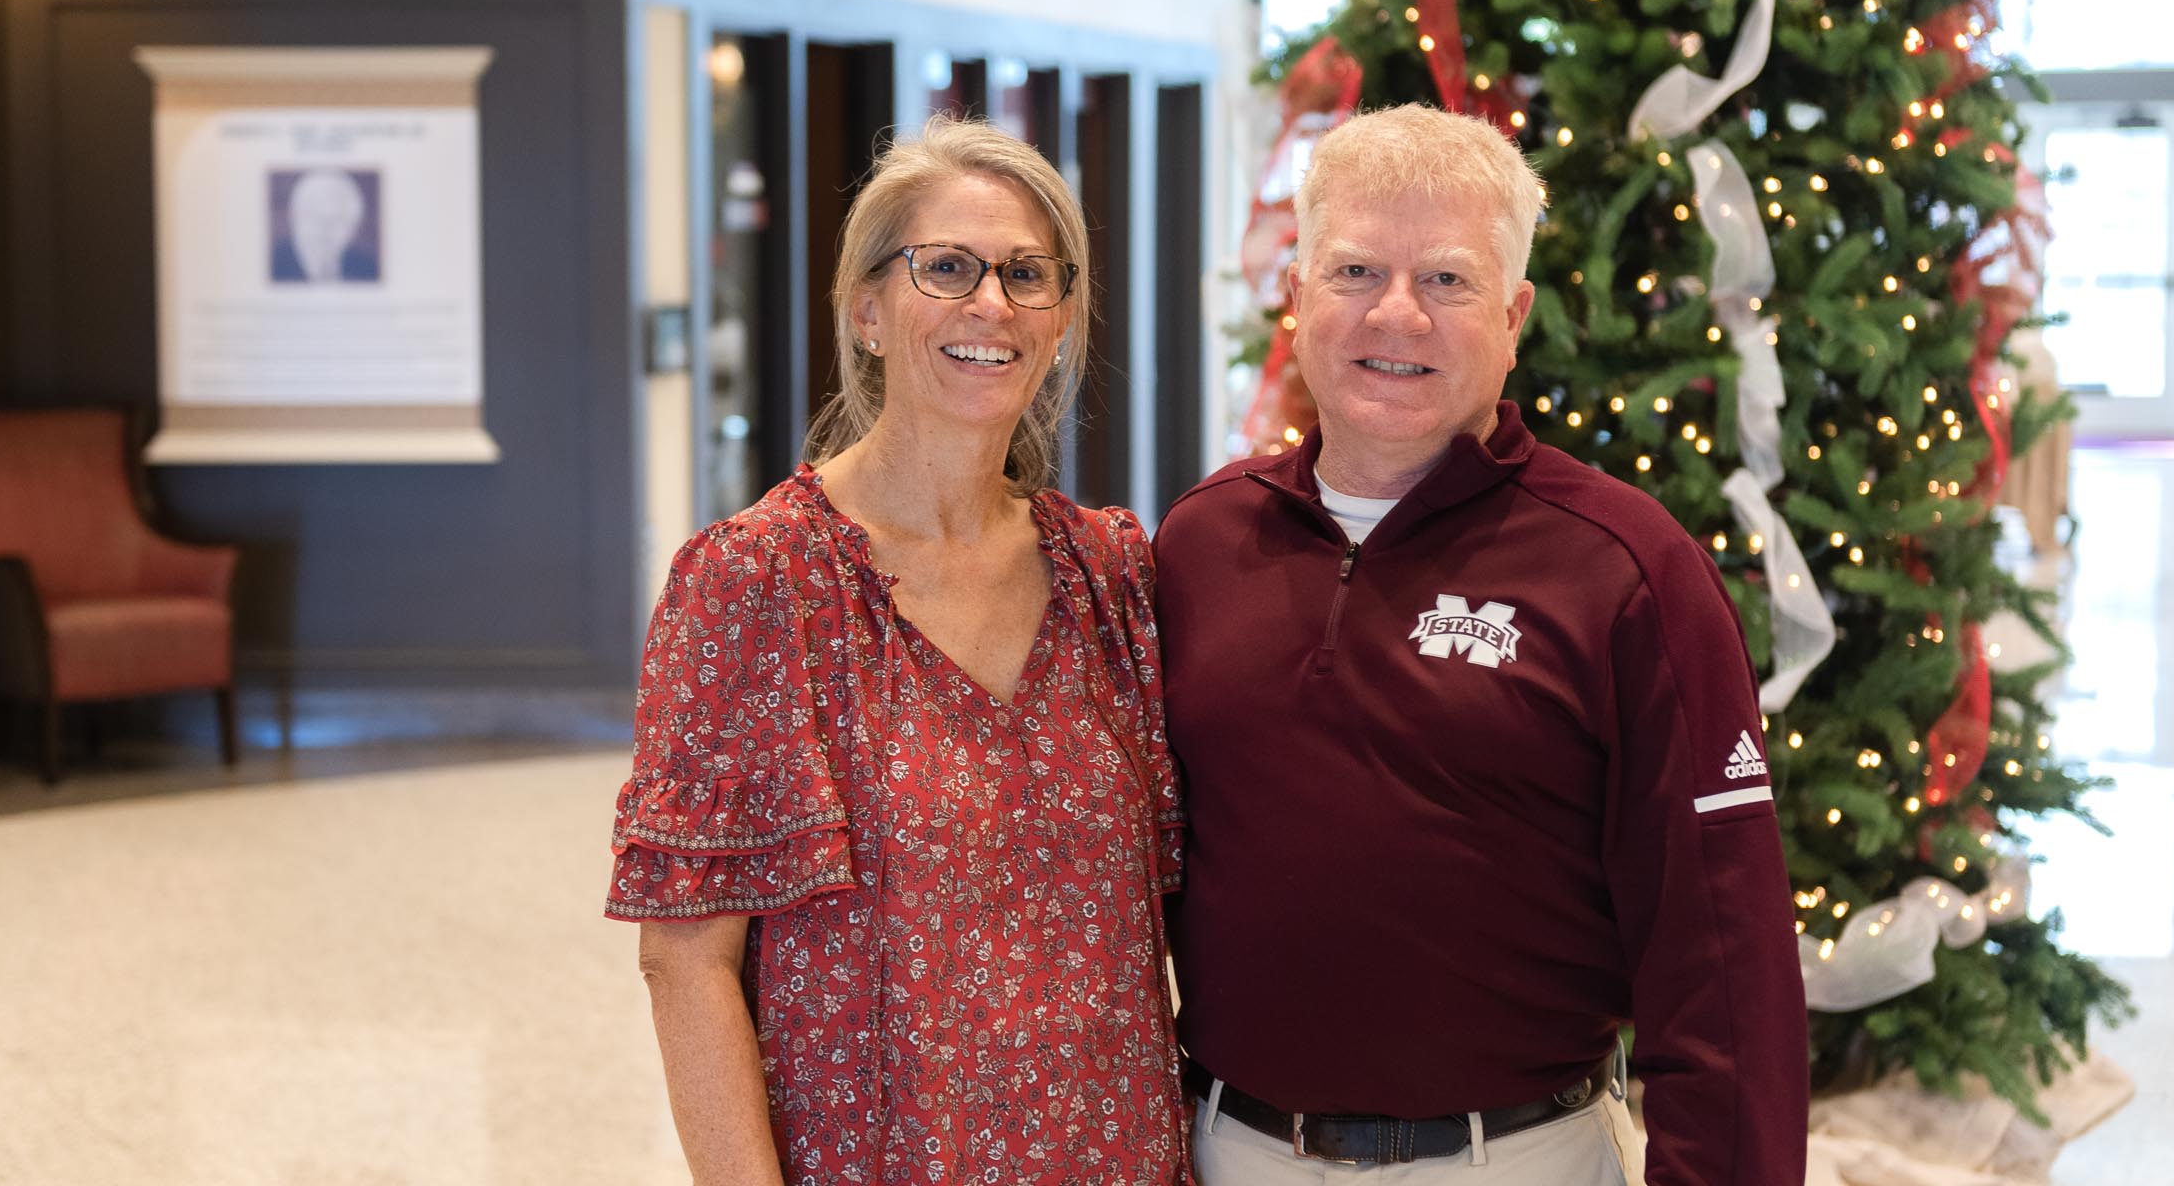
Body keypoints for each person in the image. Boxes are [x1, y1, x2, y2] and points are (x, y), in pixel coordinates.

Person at [1156, 104, 1808, 1184]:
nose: (1397, 314)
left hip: (1511, 1157)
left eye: (1448, 280)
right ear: (1298, 293)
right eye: (1356, 269)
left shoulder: (1628, 569)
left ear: (1516, 316)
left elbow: (1724, 969)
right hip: (1227, 1150)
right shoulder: (1199, 540)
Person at [604, 116, 1187, 1186]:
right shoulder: (757, 583)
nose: (993, 304)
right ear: (867, 309)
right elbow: (685, 958)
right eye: (949, 267)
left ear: (1061, 321)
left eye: (1027, 273)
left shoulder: (1111, 574)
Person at [270, 168, 380, 283]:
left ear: (353, 228)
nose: (325, 230)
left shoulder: (367, 268)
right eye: (315, 217)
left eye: (338, 221)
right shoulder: (271, 263)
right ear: (295, 219)